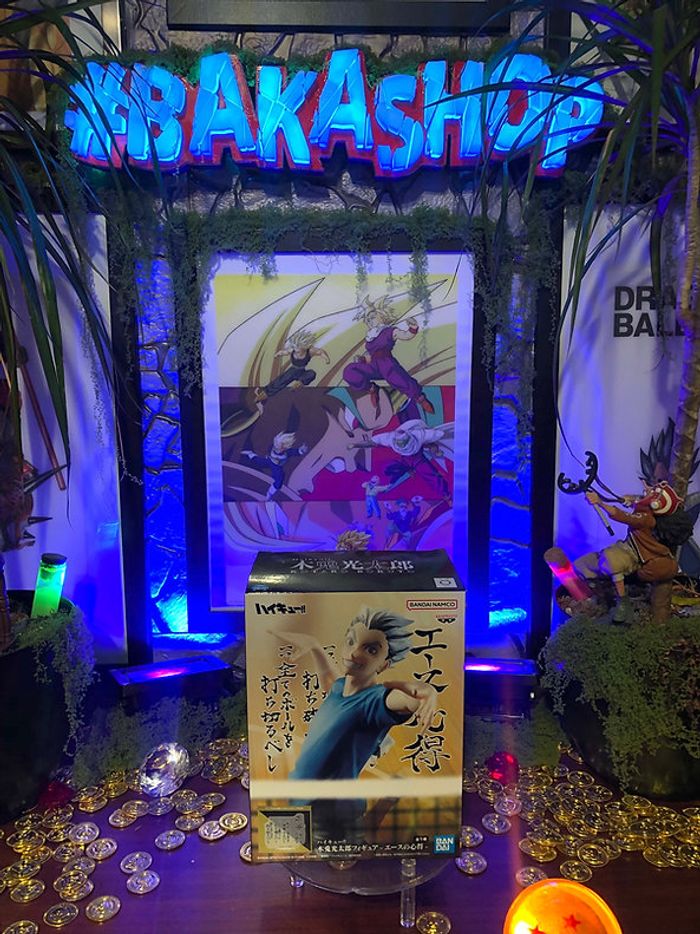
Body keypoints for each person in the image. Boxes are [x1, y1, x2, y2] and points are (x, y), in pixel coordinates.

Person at [574, 482, 681, 621]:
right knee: (582, 564)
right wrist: (626, 501)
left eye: (651, 492)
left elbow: (623, 516)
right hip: (625, 547)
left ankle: (622, 602)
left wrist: (600, 502)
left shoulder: (646, 519)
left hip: (633, 555)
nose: (647, 489)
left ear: (655, 503)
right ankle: (597, 592)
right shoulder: (643, 511)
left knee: (612, 561)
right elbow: (633, 503)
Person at [343, 297, 435, 415]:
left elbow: (406, 335)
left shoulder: (390, 331)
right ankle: (371, 389)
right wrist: (362, 359)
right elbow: (370, 353)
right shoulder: (371, 336)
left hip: (387, 364)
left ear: (381, 315)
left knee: (402, 381)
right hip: (373, 366)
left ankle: (420, 399)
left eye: (372, 317)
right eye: (367, 320)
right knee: (349, 371)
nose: (370, 321)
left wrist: (413, 328)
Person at [255, 330, 330, 401]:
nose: (296, 349)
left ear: (305, 347)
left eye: (298, 348)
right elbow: (284, 352)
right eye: (294, 347)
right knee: (280, 381)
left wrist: (326, 359)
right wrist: (278, 354)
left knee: (311, 373)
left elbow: (320, 352)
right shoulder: (292, 350)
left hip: (302, 371)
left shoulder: (310, 351)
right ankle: (264, 394)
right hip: (292, 371)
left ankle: (298, 384)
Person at [241, 431, 308, 498]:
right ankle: (250, 454)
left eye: (280, 446)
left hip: (277, 467)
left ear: (285, 447)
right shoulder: (272, 447)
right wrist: (267, 456)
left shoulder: (287, 452)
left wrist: (301, 450)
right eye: (276, 445)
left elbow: (295, 452)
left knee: (279, 480)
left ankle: (269, 494)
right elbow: (269, 451)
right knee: (258, 461)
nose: (277, 447)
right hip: (269, 461)